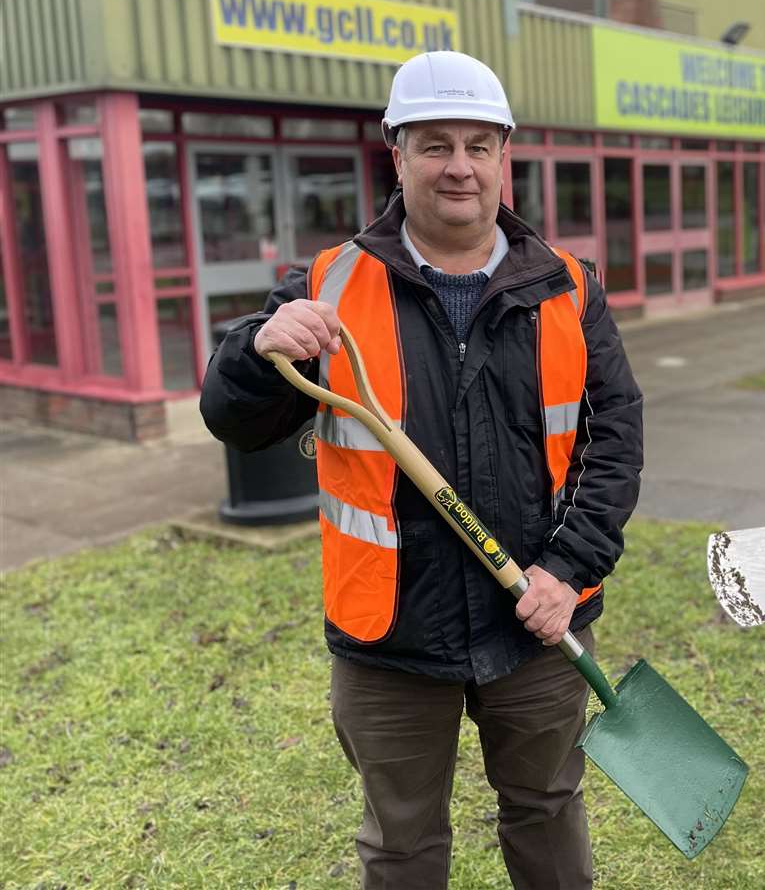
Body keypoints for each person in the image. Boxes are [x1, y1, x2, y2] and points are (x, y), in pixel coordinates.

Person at [200, 50, 643, 890]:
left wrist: (567, 571)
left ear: (505, 156)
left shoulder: (568, 287)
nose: (459, 167)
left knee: (548, 810)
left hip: (536, 623)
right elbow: (236, 422)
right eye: (435, 144)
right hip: (390, 634)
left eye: (480, 145)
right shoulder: (329, 286)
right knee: (400, 845)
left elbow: (613, 439)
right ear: (396, 155)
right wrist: (257, 352)